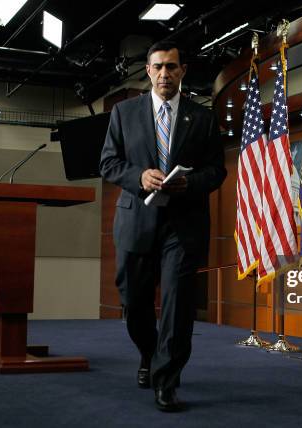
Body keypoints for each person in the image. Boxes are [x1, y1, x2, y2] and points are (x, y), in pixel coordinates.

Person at [99, 40, 226, 412]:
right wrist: (140, 177)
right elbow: (108, 164)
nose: (164, 74)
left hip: (183, 226)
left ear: (183, 70)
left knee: (177, 305)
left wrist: (191, 182)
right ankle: (149, 353)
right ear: (148, 71)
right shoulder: (123, 113)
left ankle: (166, 380)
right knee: (134, 303)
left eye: (172, 66)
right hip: (136, 222)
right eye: (158, 67)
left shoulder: (202, 118)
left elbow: (217, 170)